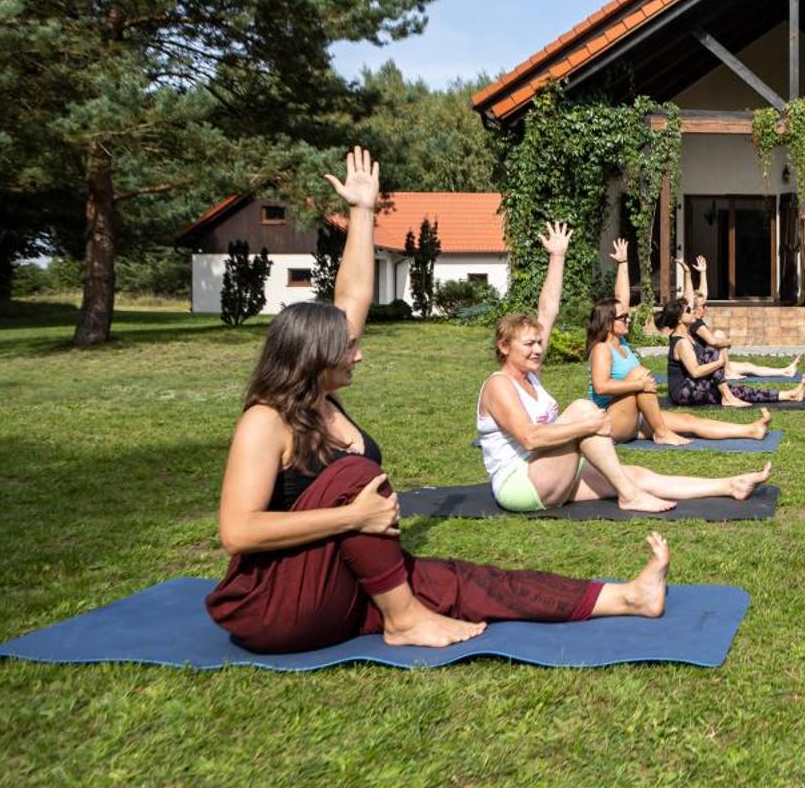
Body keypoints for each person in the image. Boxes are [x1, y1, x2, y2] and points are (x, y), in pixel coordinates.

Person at [206, 147, 673, 655]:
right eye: (350, 348)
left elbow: (352, 297)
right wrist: (352, 518)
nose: (359, 355)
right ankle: (403, 620)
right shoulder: (265, 420)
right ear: (316, 356)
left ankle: (628, 597)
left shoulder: (323, 395)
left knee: (467, 581)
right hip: (277, 604)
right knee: (355, 477)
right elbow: (238, 531)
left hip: (339, 582)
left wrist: (363, 211)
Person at [478, 223, 773, 513]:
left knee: (639, 475)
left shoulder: (533, 376)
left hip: (550, 467)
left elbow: (547, 310)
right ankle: (630, 495)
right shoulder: (499, 385)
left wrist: (557, 257)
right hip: (521, 483)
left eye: (538, 343)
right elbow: (529, 438)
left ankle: (730, 485)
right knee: (583, 409)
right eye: (528, 345)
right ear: (504, 347)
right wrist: (588, 425)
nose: (538, 350)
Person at [587, 240, 772, 447]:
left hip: (634, 416)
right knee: (640, 374)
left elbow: (621, 299)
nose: (628, 319)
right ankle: (661, 433)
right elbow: (601, 387)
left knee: (688, 420)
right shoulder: (602, 348)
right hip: (610, 422)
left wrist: (622, 263)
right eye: (623, 318)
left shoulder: (621, 342)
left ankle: (751, 430)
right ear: (609, 323)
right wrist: (639, 384)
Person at [654, 294, 805, 406]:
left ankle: (790, 395)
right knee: (714, 346)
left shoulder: (688, 335)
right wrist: (719, 363)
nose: (692, 311)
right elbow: (695, 372)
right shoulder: (681, 343)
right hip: (683, 393)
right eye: (688, 310)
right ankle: (728, 397)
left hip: (695, 386)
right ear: (679, 319)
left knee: (739, 391)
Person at [679, 256, 799, 379]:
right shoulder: (695, 324)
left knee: (748, 366)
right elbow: (713, 341)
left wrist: (703, 272)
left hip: (708, 360)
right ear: (696, 308)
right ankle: (728, 371)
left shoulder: (695, 318)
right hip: (703, 364)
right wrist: (728, 342)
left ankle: (786, 371)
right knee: (719, 335)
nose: (706, 307)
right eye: (704, 305)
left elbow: (702, 294)